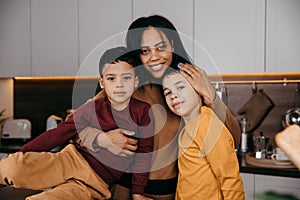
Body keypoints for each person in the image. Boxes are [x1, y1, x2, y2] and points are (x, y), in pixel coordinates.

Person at [78, 15, 241, 199]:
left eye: (161, 47)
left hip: (173, 193)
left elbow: (233, 139)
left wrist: (209, 94)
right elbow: (79, 129)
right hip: (126, 191)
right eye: (145, 51)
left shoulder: (189, 84)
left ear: (172, 44)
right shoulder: (126, 83)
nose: (154, 57)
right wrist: (102, 138)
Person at [0, 46, 154, 200]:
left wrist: (138, 193)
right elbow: (58, 134)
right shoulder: (92, 108)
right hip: (70, 160)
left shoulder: (143, 112)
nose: (119, 84)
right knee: (11, 166)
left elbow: (144, 154)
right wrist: (24, 154)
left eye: (126, 78)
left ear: (136, 81)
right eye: (111, 78)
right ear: (102, 82)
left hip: (95, 182)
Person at [162, 67, 244, 199]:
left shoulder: (207, 124)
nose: (173, 95)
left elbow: (229, 177)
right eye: (167, 92)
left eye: (180, 87)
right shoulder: (187, 128)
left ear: (198, 91)